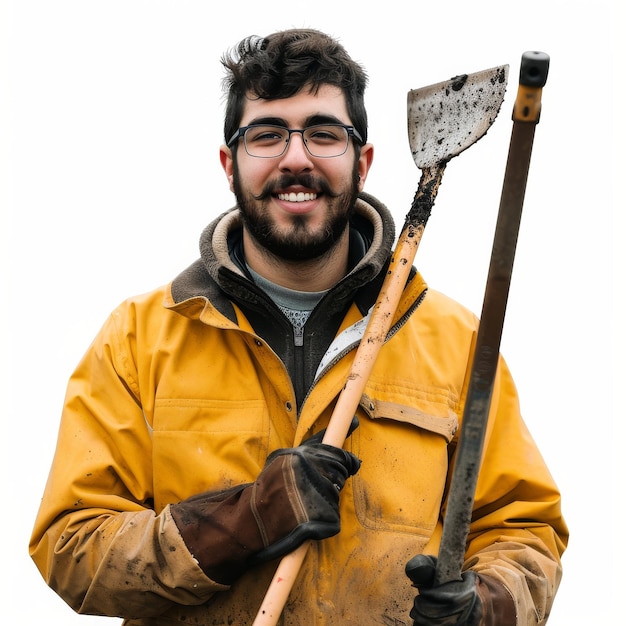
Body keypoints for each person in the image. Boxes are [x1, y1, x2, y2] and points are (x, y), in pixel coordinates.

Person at [29, 28, 568, 626]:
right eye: (266, 135)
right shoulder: (138, 338)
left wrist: (488, 603)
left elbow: (526, 530)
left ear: (361, 162)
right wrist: (245, 520)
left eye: (323, 134)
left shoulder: (456, 341)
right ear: (229, 164)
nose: (295, 158)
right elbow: (72, 548)